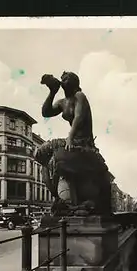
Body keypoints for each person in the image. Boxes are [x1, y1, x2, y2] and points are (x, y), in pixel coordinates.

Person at [36, 71, 110, 215]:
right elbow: (46, 112)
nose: (64, 80)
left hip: (83, 142)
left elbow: (79, 117)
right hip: (72, 140)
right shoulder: (63, 102)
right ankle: (59, 199)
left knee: (58, 158)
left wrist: (70, 137)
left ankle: (69, 198)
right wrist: (52, 92)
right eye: (62, 79)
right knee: (41, 154)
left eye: (67, 78)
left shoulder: (79, 96)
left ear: (75, 82)